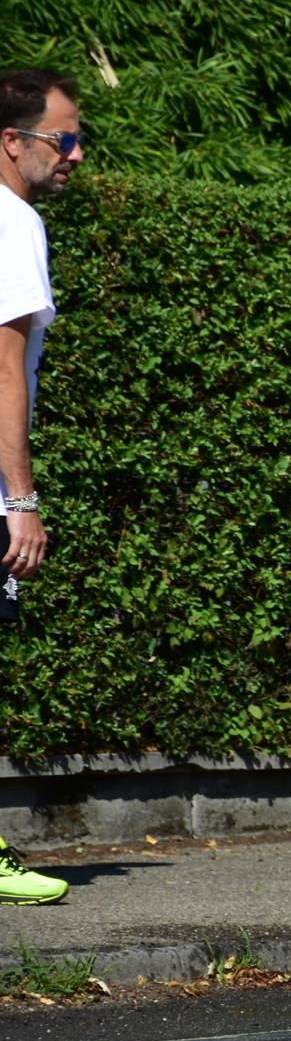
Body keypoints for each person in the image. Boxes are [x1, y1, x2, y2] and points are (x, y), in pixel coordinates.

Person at [0, 68, 84, 906]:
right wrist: (20, 500)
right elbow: (4, 365)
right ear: (11, 141)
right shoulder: (12, 221)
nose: (75, 154)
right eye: (63, 138)